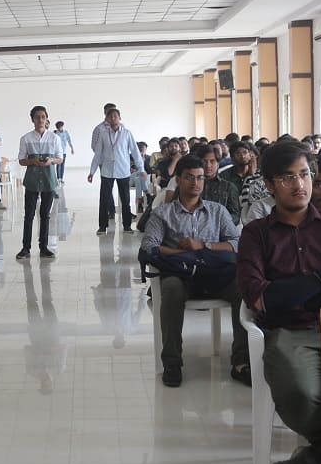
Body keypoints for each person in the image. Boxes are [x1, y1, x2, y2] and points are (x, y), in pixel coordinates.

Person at [237, 141, 321, 464]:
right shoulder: (257, 234)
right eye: (288, 178)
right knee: (297, 394)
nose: (300, 185)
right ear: (269, 184)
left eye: (305, 174)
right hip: (290, 332)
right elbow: (262, 299)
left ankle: (312, 459)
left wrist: (292, 290)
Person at [142, 155, 243, 387]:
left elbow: (237, 243)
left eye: (200, 178)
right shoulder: (163, 213)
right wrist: (183, 255)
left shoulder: (217, 211)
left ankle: (241, 361)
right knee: (171, 289)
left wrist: (203, 246)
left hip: (215, 275)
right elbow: (149, 246)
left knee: (243, 287)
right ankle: (172, 362)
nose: (196, 183)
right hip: (181, 275)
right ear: (178, 180)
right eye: (189, 177)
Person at [16, 105, 62, 260]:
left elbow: (60, 158)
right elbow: (21, 160)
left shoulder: (54, 138)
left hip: (49, 180)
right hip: (32, 180)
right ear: (32, 119)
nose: (40, 120)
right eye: (37, 117)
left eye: (43, 117)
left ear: (47, 119)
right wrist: (33, 161)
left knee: (45, 215)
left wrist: (51, 161)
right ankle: (25, 248)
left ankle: (44, 247)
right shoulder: (26, 138)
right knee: (29, 215)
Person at [88, 107, 143, 235]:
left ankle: (127, 226)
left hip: (123, 170)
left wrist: (141, 168)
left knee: (125, 199)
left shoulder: (127, 133)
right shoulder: (103, 133)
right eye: (110, 116)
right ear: (106, 119)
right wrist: (92, 171)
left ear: (120, 118)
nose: (113, 118)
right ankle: (102, 226)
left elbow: (135, 151)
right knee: (104, 199)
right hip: (107, 171)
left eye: (115, 116)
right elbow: (98, 154)